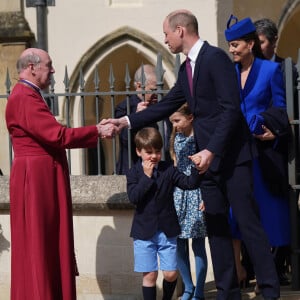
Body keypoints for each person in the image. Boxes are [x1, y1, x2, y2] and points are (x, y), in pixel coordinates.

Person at [103, 9, 280, 300]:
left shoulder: (216, 58)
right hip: (206, 163)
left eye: (166, 33)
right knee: (217, 229)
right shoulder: (187, 68)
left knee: (248, 226)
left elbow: (230, 109)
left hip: (233, 159)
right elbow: (168, 103)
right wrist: (124, 122)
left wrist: (211, 150)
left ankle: (271, 292)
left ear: (181, 31)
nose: (165, 39)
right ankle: (227, 293)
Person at [5, 48, 116, 300]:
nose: (53, 70)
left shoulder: (28, 94)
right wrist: (96, 131)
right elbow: (57, 135)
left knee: (46, 242)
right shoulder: (24, 96)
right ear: (32, 67)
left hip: (41, 174)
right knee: (39, 244)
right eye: (49, 65)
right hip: (36, 178)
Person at [225, 15, 291, 293]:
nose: (232, 50)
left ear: (250, 44)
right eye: (229, 45)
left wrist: (272, 130)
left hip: (262, 153)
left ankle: (270, 279)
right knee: (235, 218)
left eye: (236, 45)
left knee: (264, 219)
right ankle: (240, 272)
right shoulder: (227, 73)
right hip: (233, 154)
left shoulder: (269, 70)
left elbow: (280, 108)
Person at [126, 127, 202, 300]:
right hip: (143, 232)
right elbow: (134, 197)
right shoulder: (133, 173)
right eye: (149, 152)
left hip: (167, 231)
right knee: (149, 275)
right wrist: (146, 177)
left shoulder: (168, 169)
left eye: (157, 151)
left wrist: (197, 168)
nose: (154, 156)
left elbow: (188, 183)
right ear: (139, 151)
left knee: (170, 274)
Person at [169, 103, 207, 300]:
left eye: (177, 121)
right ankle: (188, 287)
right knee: (179, 244)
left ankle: (199, 291)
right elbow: (176, 164)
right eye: (172, 122)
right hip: (179, 194)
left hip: (197, 193)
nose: (174, 125)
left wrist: (206, 197)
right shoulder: (177, 137)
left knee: (198, 245)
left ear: (190, 117)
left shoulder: (201, 137)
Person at [115, 64, 171, 174]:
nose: (157, 94)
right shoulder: (125, 107)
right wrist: (136, 117)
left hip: (163, 169)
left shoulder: (163, 104)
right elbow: (124, 139)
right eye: (153, 90)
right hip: (135, 170)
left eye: (159, 89)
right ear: (139, 86)